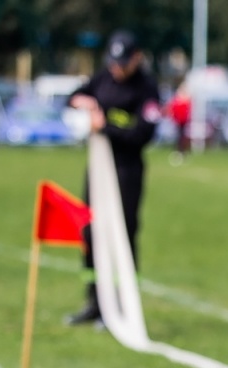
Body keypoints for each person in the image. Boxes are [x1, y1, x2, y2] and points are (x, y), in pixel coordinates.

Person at [65, 30, 161, 326]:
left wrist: (105, 126)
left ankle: (122, 303)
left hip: (127, 171)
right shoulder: (103, 78)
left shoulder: (147, 90)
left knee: (122, 233)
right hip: (98, 168)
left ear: (137, 58)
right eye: (113, 62)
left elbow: (142, 135)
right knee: (91, 232)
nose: (116, 68)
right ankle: (94, 301)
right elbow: (73, 97)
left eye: (122, 62)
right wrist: (82, 104)